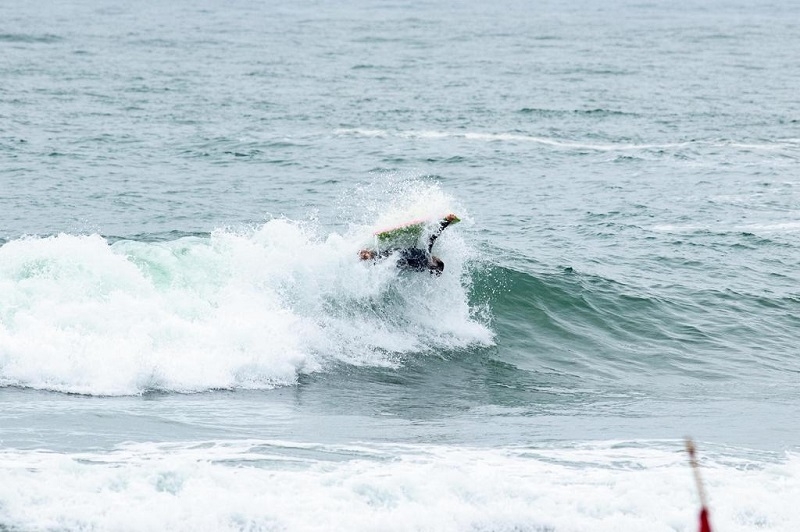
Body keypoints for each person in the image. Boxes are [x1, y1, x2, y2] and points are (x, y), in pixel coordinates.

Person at [359, 214, 458, 275]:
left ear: (434, 263)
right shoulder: (421, 268)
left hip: (402, 254)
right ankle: (369, 256)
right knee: (384, 258)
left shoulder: (427, 256)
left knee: (386, 255)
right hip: (400, 261)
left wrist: (446, 222)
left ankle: (368, 255)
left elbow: (433, 237)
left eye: (437, 259)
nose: (436, 257)